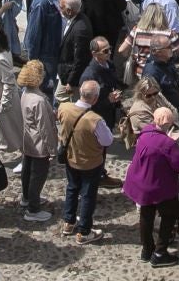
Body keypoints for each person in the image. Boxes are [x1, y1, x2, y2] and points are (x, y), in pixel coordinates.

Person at [124, 105, 179, 266]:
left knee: (146, 216)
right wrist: (171, 141)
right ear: (169, 124)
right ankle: (160, 253)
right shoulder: (167, 143)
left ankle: (147, 250)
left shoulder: (145, 134)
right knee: (169, 216)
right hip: (159, 186)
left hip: (142, 184)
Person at [59, 79, 115, 244]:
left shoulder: (64, 108)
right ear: (95, 98)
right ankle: (84, 231)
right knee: (88, 195)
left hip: (71, 158)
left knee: (72, 188)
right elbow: (107, 141)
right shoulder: (95, 120)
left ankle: (68, 222)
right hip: (90, 162)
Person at [15, 60, 56, 222]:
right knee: (37, 176)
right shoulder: (38, 100)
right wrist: (52, 150)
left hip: (27, 141)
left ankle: (26, 198)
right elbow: (45, 128)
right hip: (39, 145)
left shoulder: (25, 93)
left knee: (27, 171)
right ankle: (33, 209)